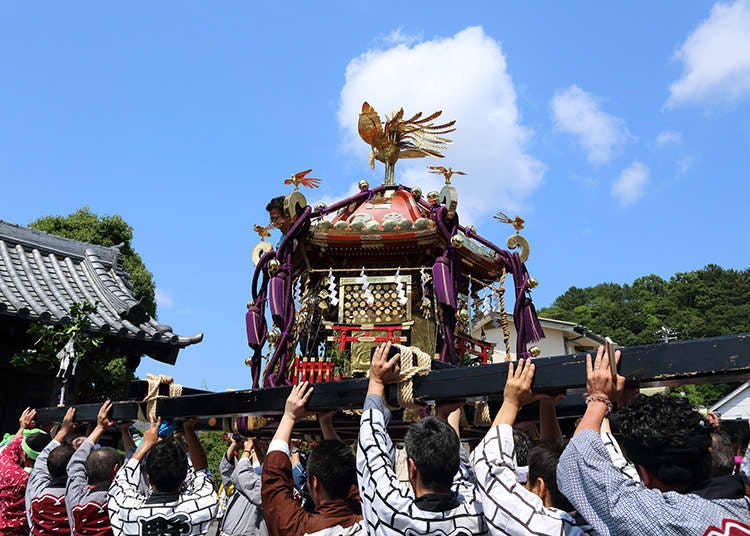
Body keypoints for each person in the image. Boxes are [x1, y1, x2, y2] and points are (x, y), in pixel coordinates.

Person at [557, 346, 750, 535]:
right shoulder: (742, 503)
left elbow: (576, 463)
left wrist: (599, 399)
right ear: (709, 453)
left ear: (645, 475)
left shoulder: (661, 519)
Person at [357, 342, 487, 535]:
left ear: (412, 468)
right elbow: (462, 478)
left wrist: (375, 382)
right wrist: (443, 416)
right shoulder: (478, 513)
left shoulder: (391, 510)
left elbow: (371, 453)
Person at [470, 358, 591, 535]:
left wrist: (511, 402)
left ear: (540, 487)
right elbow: (556, 461)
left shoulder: (531, 526)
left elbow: (488, 465)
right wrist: (547, 403)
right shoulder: (596, 525)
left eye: (527, 482)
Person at [262, 381, 364, 536]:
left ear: (314, 484)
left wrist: (289, 416)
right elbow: (349, 479)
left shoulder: (298, 530)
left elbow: (274, 481)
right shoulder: (370, 523)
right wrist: (326, 423)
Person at [107, 416, 217, 536]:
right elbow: (202, 471)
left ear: (148, 479)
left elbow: (121, 481)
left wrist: (145, 444)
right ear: (184, 477)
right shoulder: (202, 506)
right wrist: (188, 429)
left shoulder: (128, 510)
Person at [65, 400, 122, 536]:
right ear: (116, 470)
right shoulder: (123, 502)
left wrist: (100, 428)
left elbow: (75, 464)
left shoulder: (76, 499)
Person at [26, 407, 77, 536]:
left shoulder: (37, 490)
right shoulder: (80, 500)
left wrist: (64, 430)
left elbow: (41, 459)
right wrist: (98, 428)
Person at [0, 408, 51, 536]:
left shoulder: (7, 469)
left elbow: (9, 449)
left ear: (24, 455)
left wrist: (24, 427)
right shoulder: (43, 482)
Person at [218, 436, 267, 536]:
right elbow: (226, 471)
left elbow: (242, 474)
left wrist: (247, 449)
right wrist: (234, 445)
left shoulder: (261, 487)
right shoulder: (239, 484)